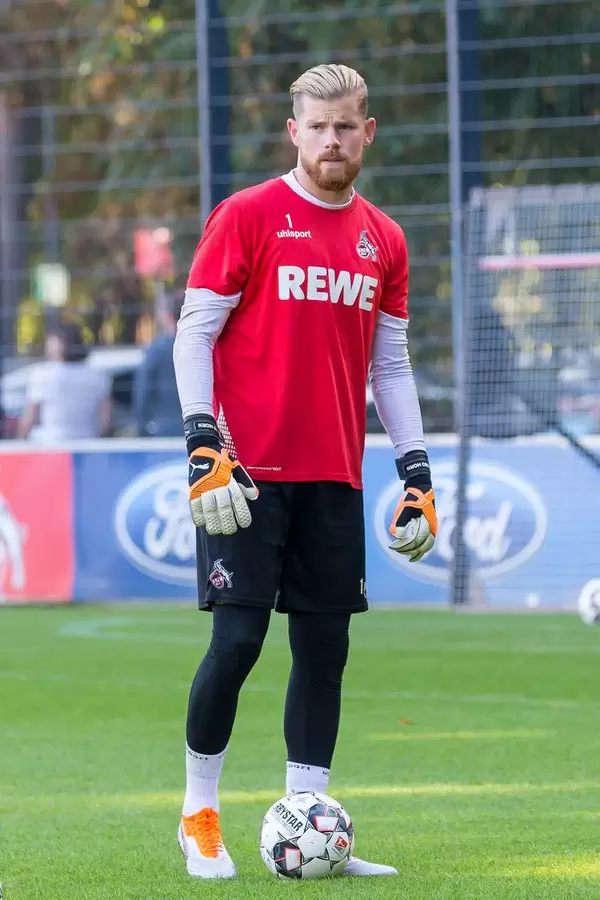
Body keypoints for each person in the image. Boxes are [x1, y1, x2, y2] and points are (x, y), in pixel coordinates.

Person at [173, 63, 438, 880]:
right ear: (294, 132)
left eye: (346, 126)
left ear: (367, 132)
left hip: (336, 477)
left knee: (324, 653)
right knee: (239, 642)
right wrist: (201, 443)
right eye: (318, 127)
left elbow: (390, 368)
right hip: (244, 476)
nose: (332, 139)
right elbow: (194, 336)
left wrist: (417, 471)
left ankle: (307, 818)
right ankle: (200, 817)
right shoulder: (247, 216)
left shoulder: (384, 239)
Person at [18, 322, 111, 442]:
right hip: (87, 443)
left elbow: (29, 419)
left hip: (50, 445)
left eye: (50, 341)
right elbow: (105, 421)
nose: (47, 346)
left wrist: (19, 442)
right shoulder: (98, 376)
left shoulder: (42, 375)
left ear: (60, 344)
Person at [133, 290, 184, 437]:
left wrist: (141, 430)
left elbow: (142, 395)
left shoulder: (156, 351)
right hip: (202, 433)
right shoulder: (207, 347)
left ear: (167, 316)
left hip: (163, 434)